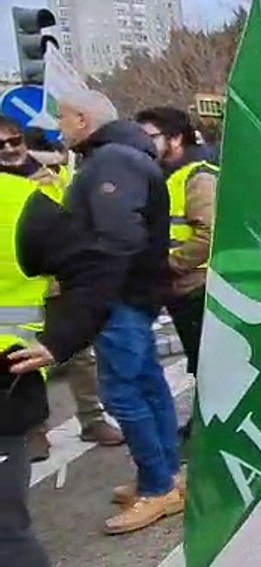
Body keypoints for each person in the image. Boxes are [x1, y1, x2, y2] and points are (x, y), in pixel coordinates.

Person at [1, 139, 127, 567]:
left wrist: (59, 339)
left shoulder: (19, 203)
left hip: (2, 392)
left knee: (1, 530)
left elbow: (97, 271)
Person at [57, 89, 182, 534]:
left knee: (124, 392)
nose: (59, 127)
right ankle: (166, 476)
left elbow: (117, 236)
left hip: (119, 298)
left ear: (83, 119)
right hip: (132, 295)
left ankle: (157, 487)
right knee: (147, 384)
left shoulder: (112, 161)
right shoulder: (124, 157)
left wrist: (93, 295)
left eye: (63, 118)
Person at [0, 117, 124, 459]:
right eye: (2, 145)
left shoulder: (50, 177)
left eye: (15, 141)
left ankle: (92, 418)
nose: (10, 149)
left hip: (60, 287)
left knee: (79, 356)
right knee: (24, 364)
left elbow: (79, 235)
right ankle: (35, 432)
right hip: (23, 298)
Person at [135, 107, 216, 439]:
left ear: (175, 138)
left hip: (200, 286)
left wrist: (169, 265)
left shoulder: (198, 176)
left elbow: (208, 234)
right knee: (201, 363)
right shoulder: (166, 176)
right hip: (181, 288)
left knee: (209, 364)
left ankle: (212, 431)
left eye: (149, 136)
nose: (142, 144)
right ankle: (206, 424)